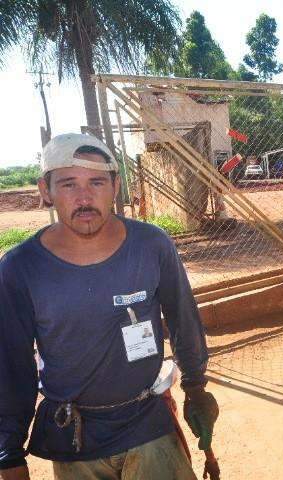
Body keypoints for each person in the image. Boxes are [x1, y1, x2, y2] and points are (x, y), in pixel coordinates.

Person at [0, 133, 218, 480]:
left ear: (115, 186)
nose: (85, 197)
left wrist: (195, 386)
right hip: (76, 439)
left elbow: (182, 317)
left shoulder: (152, 245)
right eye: (69, 184)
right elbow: (11, 364)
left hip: (147, 423)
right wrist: (8, 450)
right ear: (46, 190)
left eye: (97, 182)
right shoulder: (20, 268)